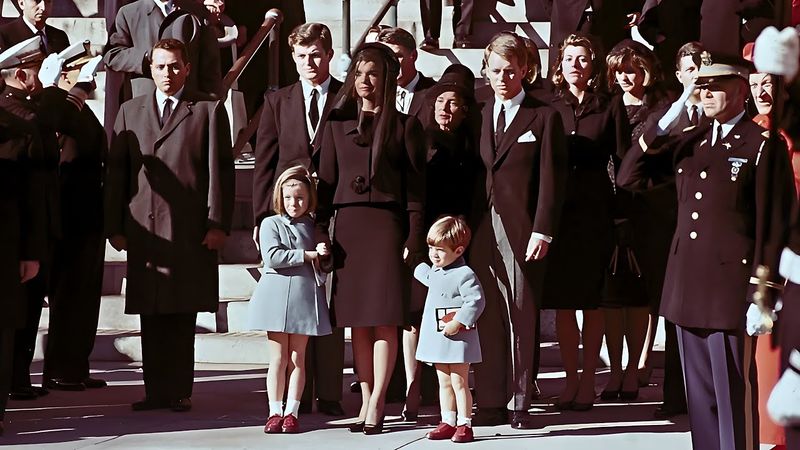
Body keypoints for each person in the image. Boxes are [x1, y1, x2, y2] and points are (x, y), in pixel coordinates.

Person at [619, 50, 795, 450]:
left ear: (740, 89)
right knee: (699, 400)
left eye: (715, 86)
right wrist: (670, 114)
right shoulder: (691, 141)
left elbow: (775, 223)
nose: (706, 93)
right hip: (686, 286)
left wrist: (763, 294)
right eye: (701, 87)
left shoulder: (761, 145)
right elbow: (631, 176)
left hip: (729, 287)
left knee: (731, 393)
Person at [106, 38, 234, 413]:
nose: (168, 73)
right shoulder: (131, 110)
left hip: (189, 230)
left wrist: (217, 224)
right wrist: (114, 225)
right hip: (145, 230)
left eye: (175, 66)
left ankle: (179, 389)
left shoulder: (207, 110)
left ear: (187, 67)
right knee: (152, 314)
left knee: (182, 313)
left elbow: (220, 172)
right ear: (150, 69)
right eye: (161, 66)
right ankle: (154, 391)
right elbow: (117, 173)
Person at [315, 42, 426, 435]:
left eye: (373, 73)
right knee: (357, 323)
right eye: (359, 73)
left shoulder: (404, 125)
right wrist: (319, 232)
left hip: (386, 230)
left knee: (384, 320)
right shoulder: (334, 125)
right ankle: (364, 398)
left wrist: (414, 238)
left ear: (388, 77)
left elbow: (415, 191)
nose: (365, 81)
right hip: (347, 231)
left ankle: (379, 399)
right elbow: (324, 189)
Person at [470, 32, 567, 429]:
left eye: (511, 71)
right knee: (485, 311)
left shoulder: (543, 116)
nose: (503, 78)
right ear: (486, 71)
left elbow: (552, 180)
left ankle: (520, 400)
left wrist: (542, 230)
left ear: (525, 70)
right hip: (478, 225)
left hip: (522, 228)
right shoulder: (476, 112)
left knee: (521, 313)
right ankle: (490, 398)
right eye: (496, 71)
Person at [250, 22, 345, 417]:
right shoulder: (278, 100)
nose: (310, 62)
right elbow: (265, 161)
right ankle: (294, 400)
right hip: (288, 213)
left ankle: (330, 392)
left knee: (329, 299)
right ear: (293, 58)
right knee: (296, 303)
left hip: (333, 212)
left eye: (317, 54)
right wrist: (261, 217)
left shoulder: (345, 96)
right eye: (302, 55)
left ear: (329, 55)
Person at [542, 32, 629, 412]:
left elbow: (624, 163)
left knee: (592, 303)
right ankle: (571, 379)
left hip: (595, 211)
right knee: (563, 303)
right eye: (569, 58)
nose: (575, 65)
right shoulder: (547, 105)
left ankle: (590, 380)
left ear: (592, 66)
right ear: (559, 64)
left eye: (583, 59)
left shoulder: (609, 106)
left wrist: (622, 214)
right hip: (558, 213)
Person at [402, 63, 479, 422]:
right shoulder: (421, 137)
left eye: (454, 104)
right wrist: (416, 242)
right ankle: (412, 388)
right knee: (416, 315)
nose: (446, 110)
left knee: (453, 312)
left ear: (466, 111)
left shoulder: (472, 145)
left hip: (459, 241)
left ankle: (455, 394)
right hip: (425, 238)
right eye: (441, 102)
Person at [600, 39, 668, 403]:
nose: (627, 77)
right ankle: (615, 369)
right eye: (620, 71)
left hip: (650, 206)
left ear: (647, 70)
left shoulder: (661, 108)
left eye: (633, 70)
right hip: (611, 203)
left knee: (646, 288)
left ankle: (641, 362)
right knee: (613, 292)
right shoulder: (607, 106)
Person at [37, 50, 108, 392]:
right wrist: (70, 89)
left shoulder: (81, 110)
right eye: (80, 69)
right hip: (69, 218)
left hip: (89, 217)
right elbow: (58, 126)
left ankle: (76, 365)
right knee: (68, 297)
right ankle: (60, 369)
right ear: (65, 75)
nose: (89, 75)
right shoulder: (59, 109)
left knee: (84, 299)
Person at [377, 25, 436, 406]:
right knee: (389, 302)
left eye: (397, 56)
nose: (393, 63)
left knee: (418, 304)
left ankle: (424, 382)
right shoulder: (371, 100)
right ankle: (391, 381)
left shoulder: (431, 96)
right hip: (384, 215)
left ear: (412, 56)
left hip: (423, 209)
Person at [248, 165, 332, 434]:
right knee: (278, 358)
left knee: (298, 358)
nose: (294, 203)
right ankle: (274, 410)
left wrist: (322, 253)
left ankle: (292, 412)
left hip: (304, 297)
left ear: (309, 199)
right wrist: (306, 255)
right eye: (288, 198)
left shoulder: (312, 225)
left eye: (300, 198)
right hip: (275, 296)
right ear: (279, 198)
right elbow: (272, 256)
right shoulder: (269, 224)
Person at [0, 36, 59, 402]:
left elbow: (32, 194)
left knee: (4, 329)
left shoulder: (19, 124)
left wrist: (32, 249)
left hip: (6, 245)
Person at [743, 40, 792, 450]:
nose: (761, 91)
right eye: (754, 83)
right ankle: (769, 436)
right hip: (771, 256)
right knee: (768, 354)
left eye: (769, 82)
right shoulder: (751, 132)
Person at [103, 0, 222, 135]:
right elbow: (112, 54)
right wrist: (146, 57)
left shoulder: (198, 11)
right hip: (145, 104)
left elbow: (210, 66)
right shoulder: (129, 12)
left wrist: (213, 103)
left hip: (189, 106)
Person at [414, 216, 485, 444]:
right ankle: (448, 420)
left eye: (440, 250)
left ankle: (465, 423)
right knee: (443, 381)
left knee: (459, 381)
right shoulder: (436, 270)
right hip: (439, 337)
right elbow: (426, 276)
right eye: (431, 248)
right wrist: (413, 261)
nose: (434, 254)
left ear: (458, 250)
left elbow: (476, 300)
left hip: (458, 338)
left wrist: (460, 321)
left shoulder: (465, 274)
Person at [377, 27, 436, 121]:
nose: (391, 62)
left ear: (413, 56)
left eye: (397, 56)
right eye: (385, 57)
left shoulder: (435, 92)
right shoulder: (375, 92)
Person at [0, 0, 69, 54]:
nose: (43, 7)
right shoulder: (3, 36)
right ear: (21, 3)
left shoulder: (60, 36)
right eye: (37, 0)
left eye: (48, 1)